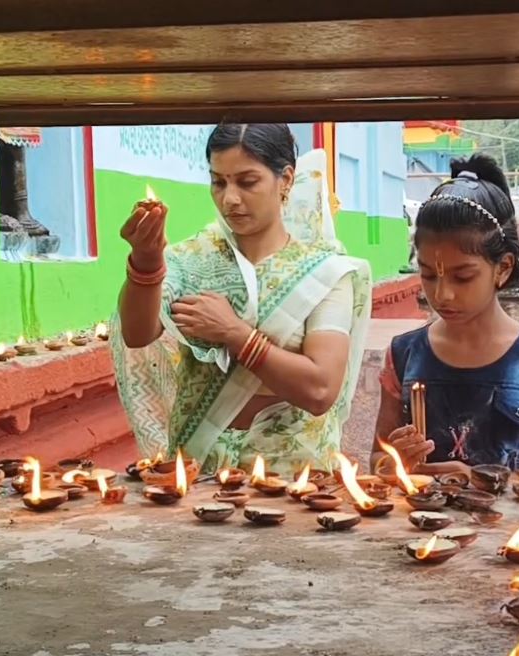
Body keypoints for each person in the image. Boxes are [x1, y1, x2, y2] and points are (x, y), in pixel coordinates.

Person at [111, 124, 372, 471]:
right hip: (199, 468)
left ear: (286, 180)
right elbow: (138, 334)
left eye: (247, 182)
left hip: (292, 475)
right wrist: (146, 262)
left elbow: (320, 390)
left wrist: (235, 334)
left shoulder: (324, 273)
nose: (229, 199)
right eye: (218, 182)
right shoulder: (192, 260)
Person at [373, 154, 519, 478]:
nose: (443, 294)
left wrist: (490, 482)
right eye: (429, 275)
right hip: (422, 526)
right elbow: (378, 463)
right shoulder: (404, 356)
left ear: (502, 268)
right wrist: (396, 462)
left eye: (462, 277)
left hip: (509, 526)